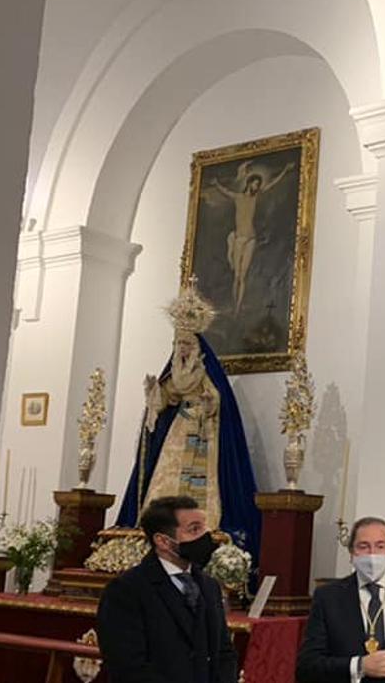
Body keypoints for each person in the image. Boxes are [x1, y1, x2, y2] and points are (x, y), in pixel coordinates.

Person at [116, 282, 261, 565]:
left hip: (202, 435)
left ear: (196, 346)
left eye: (186, 344)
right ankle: (158, 524)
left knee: (198, 485)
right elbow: (166, 397)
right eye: (178, 344)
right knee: (164, 479)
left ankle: (196, 527)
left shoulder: (206, 371)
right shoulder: (175, 371)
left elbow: (218, 400)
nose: (182, 348)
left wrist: (209, 405)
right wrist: (154, 394)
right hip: (178, 432)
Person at [97, 496, 236, 683]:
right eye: (194, 529)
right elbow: (127, 664)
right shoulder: (126, 590)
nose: (206, 535)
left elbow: (224, 651)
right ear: (163, 541)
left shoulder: (209, 586)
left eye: (205, 527)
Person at [296, 517, 385, 683]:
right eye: (363, 546)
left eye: (380, 546)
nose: (372, 554)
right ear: (351, 552)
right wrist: (358, 666)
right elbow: (307, 666)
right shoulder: (328, 597)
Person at [207, 160, 294, 313]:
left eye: (257, 185)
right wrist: (216, 184)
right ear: (249, 183)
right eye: (254, 183)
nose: (256, 187)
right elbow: (225, 191)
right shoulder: (238, 197)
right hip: (239, 238)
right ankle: (235, 303)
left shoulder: (255, 198)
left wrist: (285, 170)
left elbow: (272, 183)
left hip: (250, 238)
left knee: (243, 277)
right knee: (237, 275)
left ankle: (237, 309)